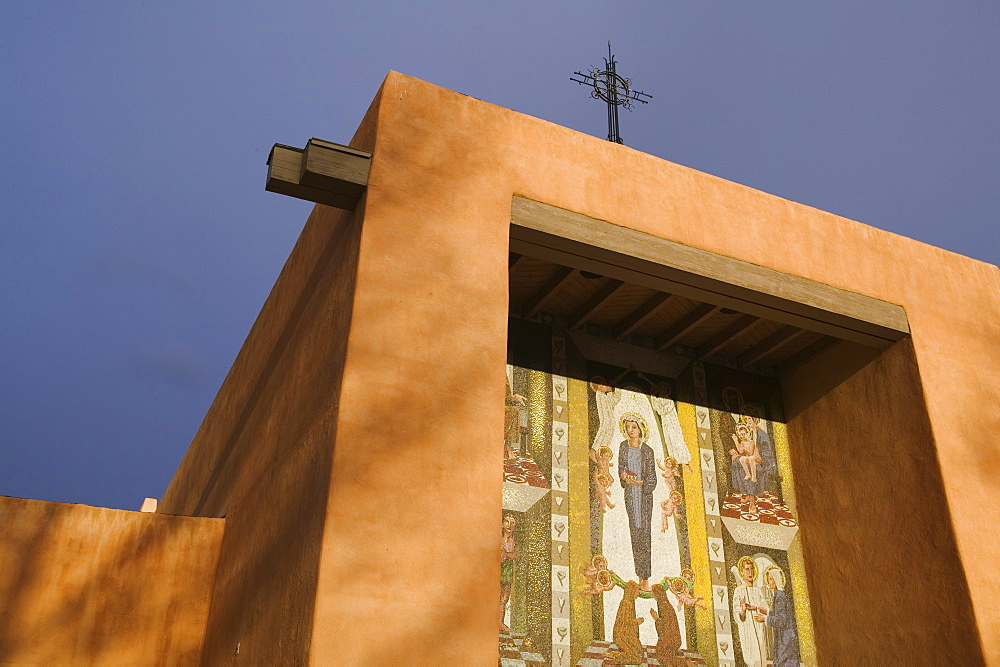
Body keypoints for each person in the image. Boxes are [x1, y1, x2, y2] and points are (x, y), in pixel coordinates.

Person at [617, 413, 657, 590]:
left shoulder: (647, 450)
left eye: (633, 427)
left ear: (640, 429)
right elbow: (621, 467)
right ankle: (638, 574)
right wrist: (623, 475)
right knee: (635, 532)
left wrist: (641, 483)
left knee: (644, 533)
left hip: (643, 496)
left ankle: (645, 578)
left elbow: (652, 479)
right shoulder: (623, 446)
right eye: (627, 427)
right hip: (631, 495)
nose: (630, 430)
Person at [732, 556, 769, 667]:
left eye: (751, 569)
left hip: (758, 627)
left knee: (760, 657)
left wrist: (755, 608)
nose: (750, 572)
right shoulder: (739, 590)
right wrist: (742, 610)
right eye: (747, 569)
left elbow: (767, 609)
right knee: (752, 660)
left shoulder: (758, 591)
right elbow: (736, 612)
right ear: (742, 572)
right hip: (747, 629)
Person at [764, 566, 800, 666]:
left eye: (771, 579)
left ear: (776, 579)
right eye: (768, 579)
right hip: (786, 640)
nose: (769, 581)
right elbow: (779, 614)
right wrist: (766, 611)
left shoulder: (779, 595)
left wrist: (765, 619)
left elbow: (781, 620)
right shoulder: (780, 595)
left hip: (785, 641)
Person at [500, 514, 520, 632]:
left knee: (504, 598)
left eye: (512, 523)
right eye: (507, 522)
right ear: (502, 524)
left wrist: (506, 555)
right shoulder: (498, 538)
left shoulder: (514, 541)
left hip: (507, 571)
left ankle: (500, 622)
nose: (509, 525)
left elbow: (516, 555)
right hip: (497, 570)